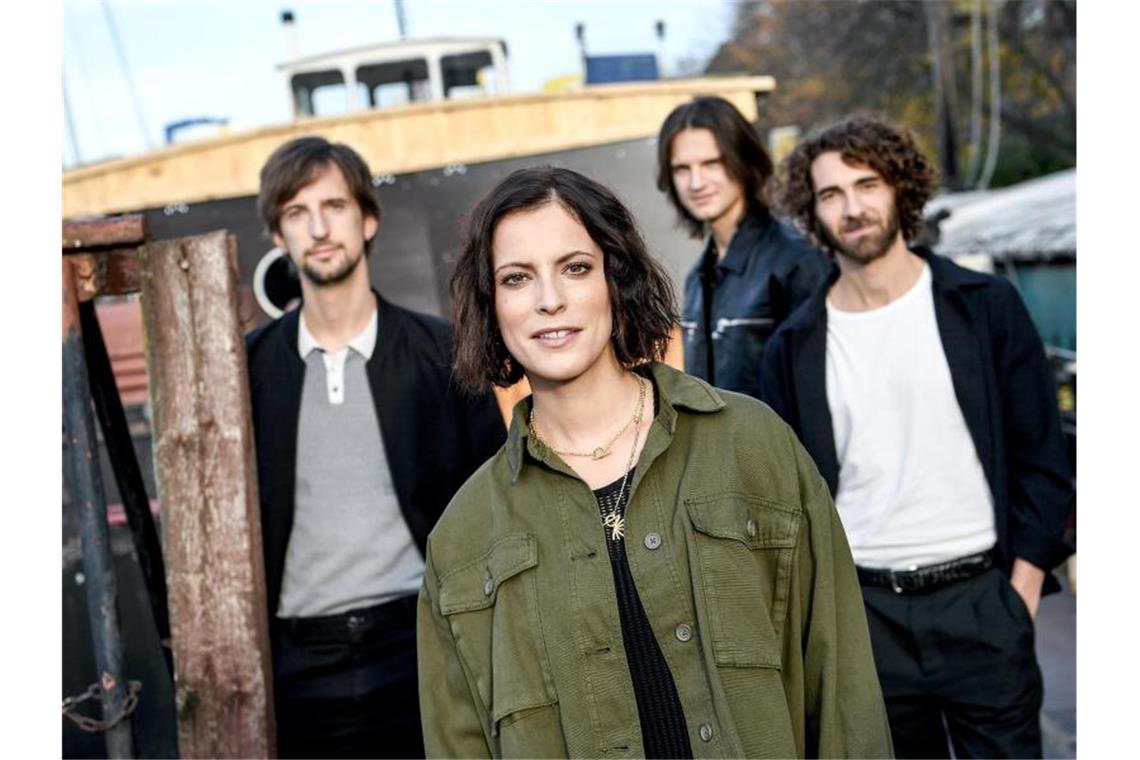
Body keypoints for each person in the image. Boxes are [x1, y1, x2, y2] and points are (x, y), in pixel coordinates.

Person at [417, 166, 892, 758]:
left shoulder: (753, 445)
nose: (549, 300)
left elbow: (843, 692)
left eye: (575, 267)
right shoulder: (460, 543)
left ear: (616, 280)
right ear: (492, 305)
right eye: (517, 278)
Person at [761, 115, 1075, 758]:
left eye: (866, 183)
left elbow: (1042, 455)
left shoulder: (984, 307)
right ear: (812, 213)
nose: (852, 207)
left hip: (982, 602)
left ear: (900, 188)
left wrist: (1021, 589)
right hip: (865, 616)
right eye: (830, 194)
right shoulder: (793, 348)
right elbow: (783, 502)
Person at [245, 136, 506, 758]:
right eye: (296, 212)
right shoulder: (247, 372)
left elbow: (499, 500)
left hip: (423, 645)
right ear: (278, 236)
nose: (318, 227)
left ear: (367, 219)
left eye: (334, 205)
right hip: (298, 666)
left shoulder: (442, 353)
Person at [655, 96, 829, 398]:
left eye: (712, 163)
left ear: (744, 161)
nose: (696, 182)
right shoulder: (698, 278)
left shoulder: (797, 262)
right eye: (682, 169)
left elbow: (817, 395)